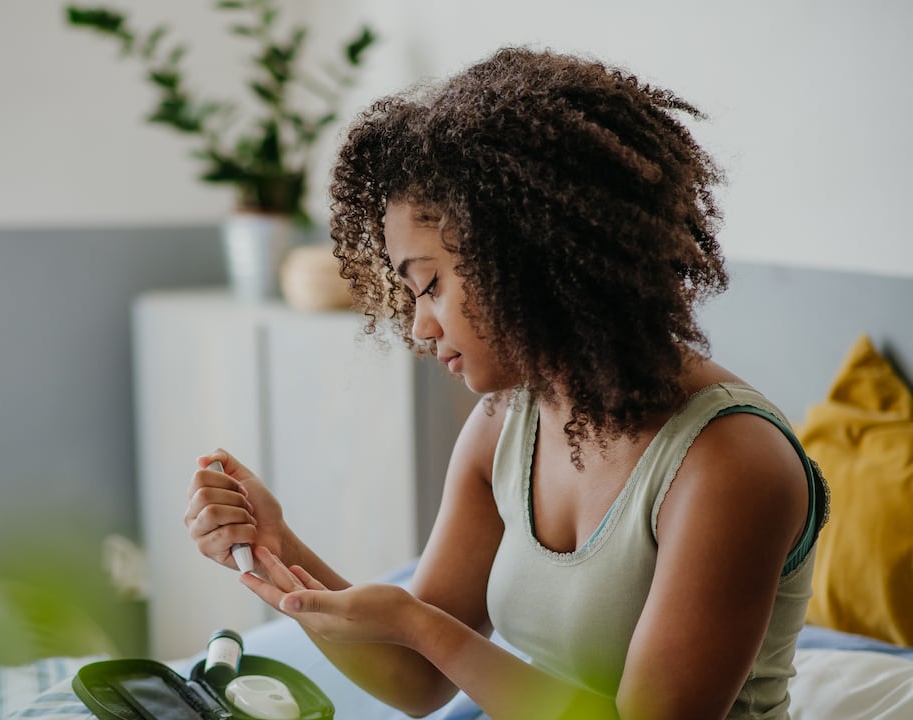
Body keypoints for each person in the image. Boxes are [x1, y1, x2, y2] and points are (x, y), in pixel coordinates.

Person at [184, 47, 828, 720]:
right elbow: (415, 678)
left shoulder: (730, 462)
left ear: (523, 256)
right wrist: (275, 546)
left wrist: (423, 626)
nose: (421, 330)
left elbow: (429, 641)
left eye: (430, 285)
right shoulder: (506, 425)